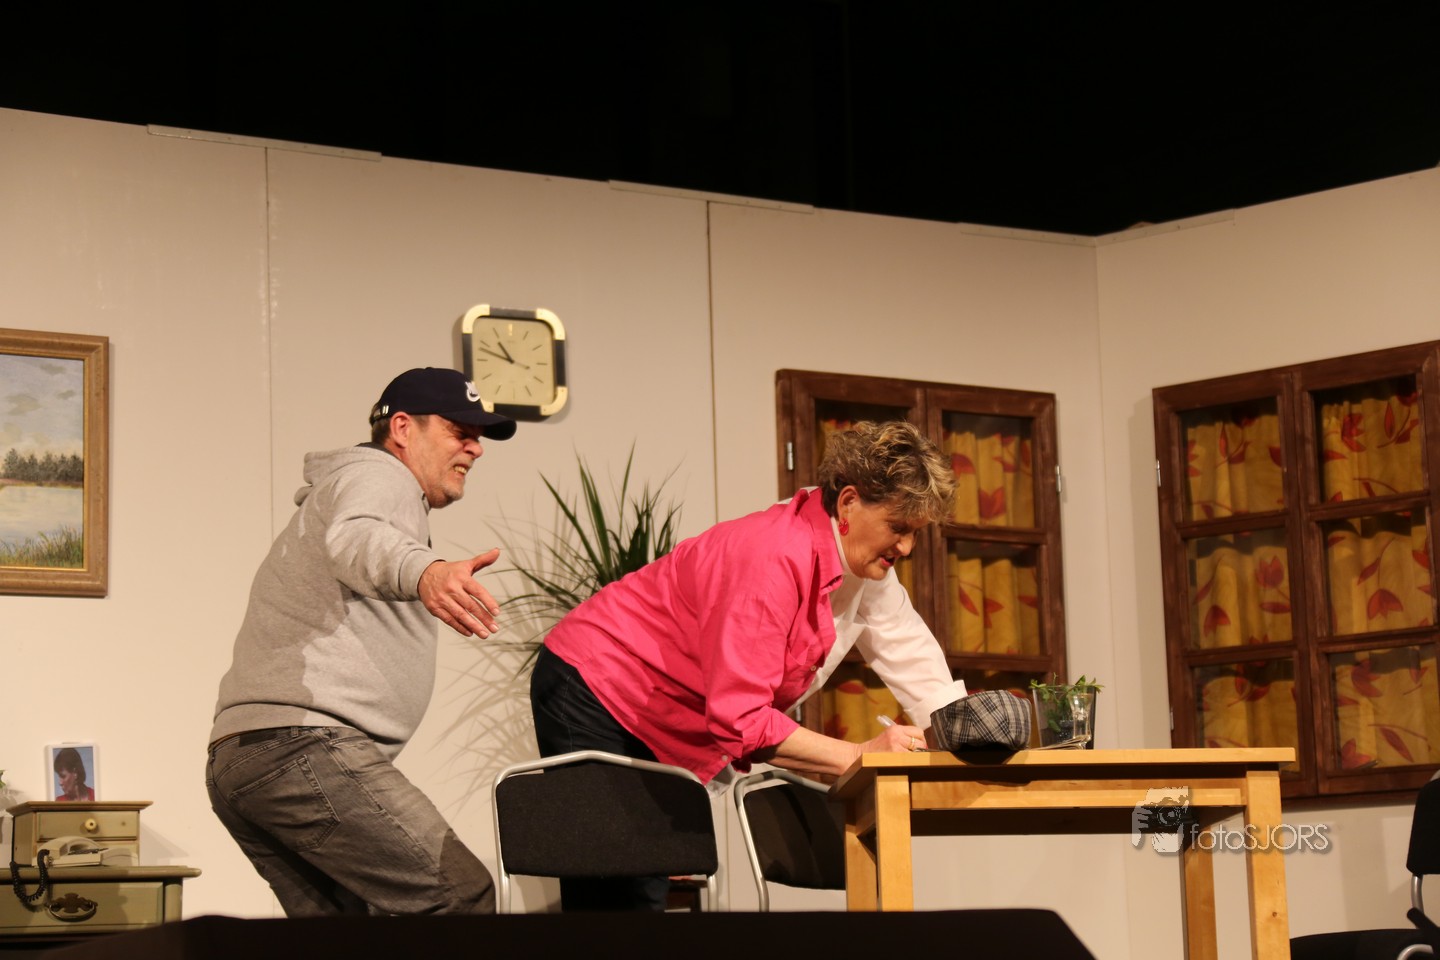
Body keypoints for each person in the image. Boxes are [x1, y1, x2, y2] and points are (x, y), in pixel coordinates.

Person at [530, 419, 967, 910]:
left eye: (915, 533)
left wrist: (966, 737)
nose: (906, 548)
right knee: (616, 890)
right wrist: (860, 755)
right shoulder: (772, 557)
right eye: (898, 528)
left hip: (658, 710)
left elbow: (909, 650)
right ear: (848, 503)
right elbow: (741, 720)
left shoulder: (863, 565)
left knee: (645, 884)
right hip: (597, 686)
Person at [207, 367, 516, 917]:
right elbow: (358, 537)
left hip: (247, 757)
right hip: (300, 748)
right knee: (461, 898)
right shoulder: (381, 477)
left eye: (478, 435)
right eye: (459, 431)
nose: (476, 447)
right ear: (403, 428)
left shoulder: (356, 486)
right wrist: (425, 571)